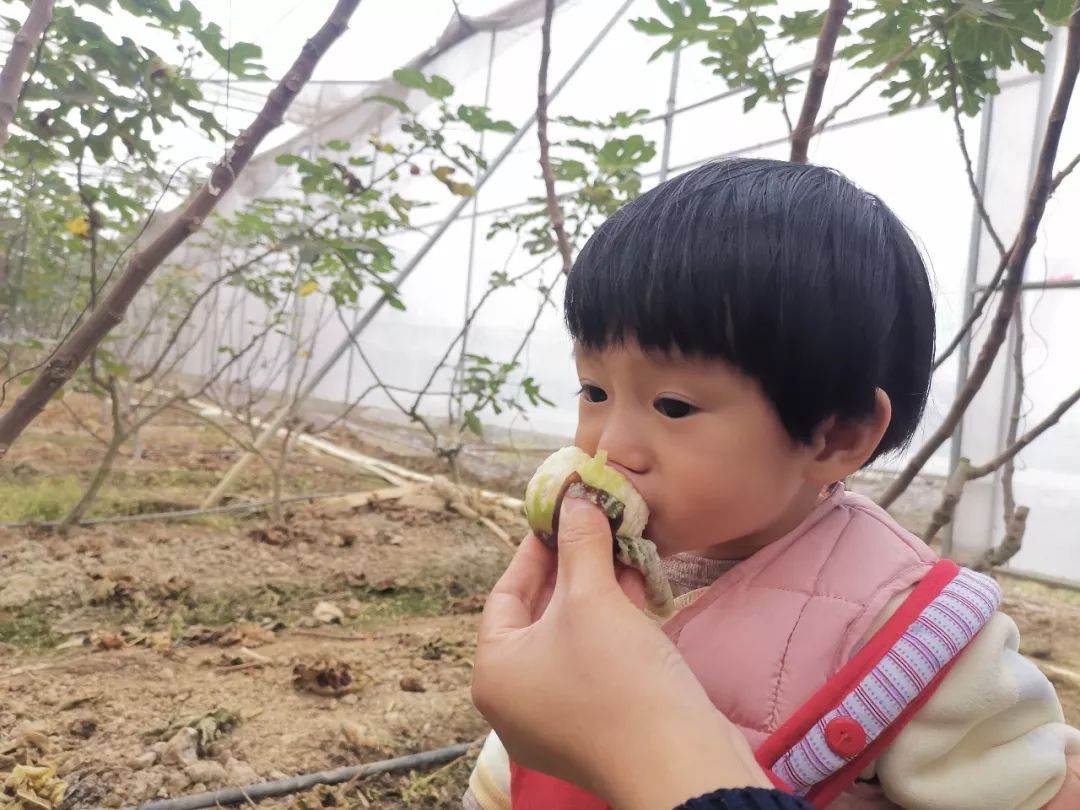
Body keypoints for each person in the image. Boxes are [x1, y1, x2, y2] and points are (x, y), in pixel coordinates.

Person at [464, 158, 1080, 809]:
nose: (609, 445)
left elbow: (1033, 789)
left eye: (673, 406)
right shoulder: (593, 573)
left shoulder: (912, 639)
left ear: (835, 435)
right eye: (594, 390)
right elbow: (518, 766)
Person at [472, 494, 815, 810]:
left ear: (836, 440)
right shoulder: (599, 566)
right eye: (590, 421)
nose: (611, 443)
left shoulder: (866, 643)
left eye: (674, 422)